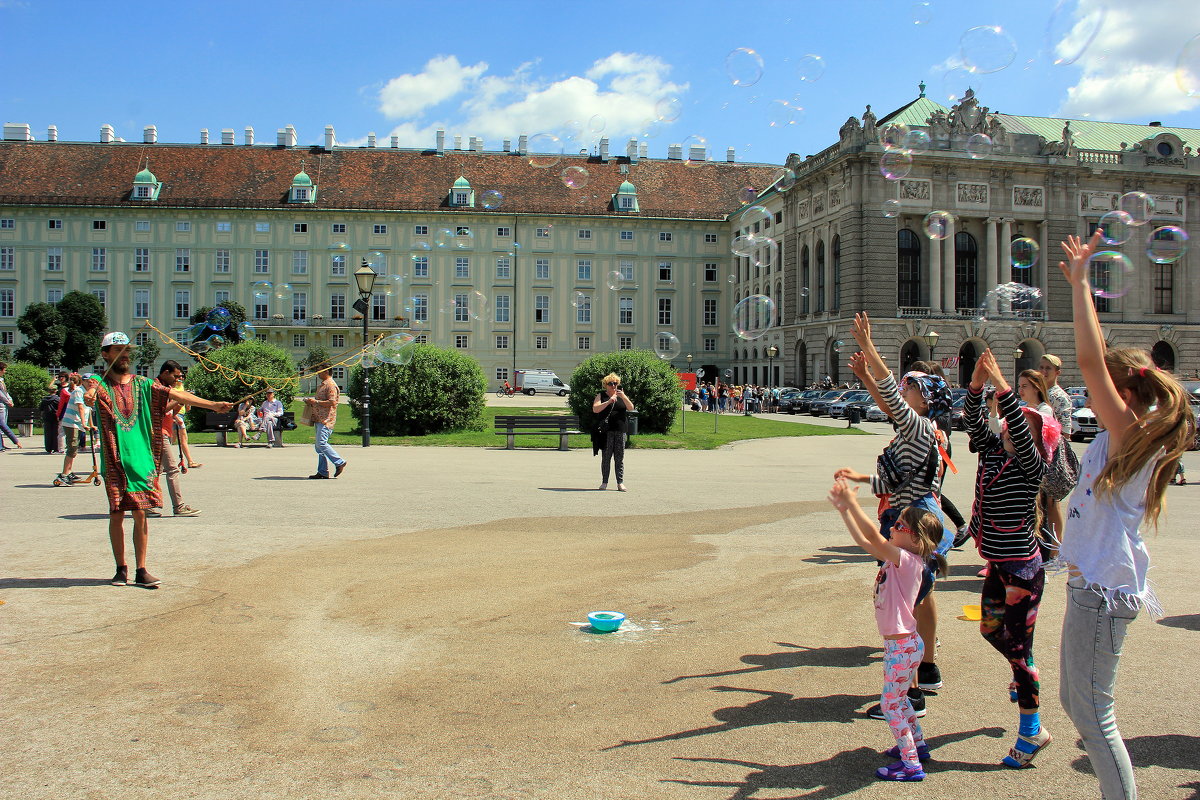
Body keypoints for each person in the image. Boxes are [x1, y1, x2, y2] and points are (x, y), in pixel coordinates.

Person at [1056, 231, 1195, 799]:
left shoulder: (1130, 433)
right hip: (1091, 584)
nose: (1089, 394)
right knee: (1078, 702)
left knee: (1094, 716)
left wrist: (1082, 283)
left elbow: (1089, 359)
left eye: (1099, 389)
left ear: (1122, 393)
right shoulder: (1125, 436)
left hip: (1104, 592)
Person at [835, 313, 954, 720]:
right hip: (917, 521)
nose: (905, 392)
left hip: (910, 527)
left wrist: (869, 347)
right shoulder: (920, 430)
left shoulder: (919, 428)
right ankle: (924, 675)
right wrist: (865, 377)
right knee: (918, 597)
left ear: (927, 400)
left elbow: (892, 396)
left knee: (902, 607)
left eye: (913, 389)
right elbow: (890, 404)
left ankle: (911, 696)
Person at [963, 349, 1057, 768]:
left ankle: (1032, 730)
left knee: (1020, 651)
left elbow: (1018, 426)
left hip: (1022, 570)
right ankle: (1025, 671)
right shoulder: (995, 454)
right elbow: (974, 424)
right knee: (989, 629)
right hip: (1001, 565)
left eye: (1021, 428)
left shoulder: (1031, 467)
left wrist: (1005, 386)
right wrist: (976, 386)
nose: (1010, 428)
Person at [85, 332, 231, 587]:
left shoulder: (142, 383)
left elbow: (177, 395)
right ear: (105, 354)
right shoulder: (100, 382)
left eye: (127, 350)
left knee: (141, 513)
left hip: (141, 458)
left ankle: (141, 569)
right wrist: (89, 394)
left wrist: (212, 404)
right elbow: (91, 388)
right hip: (114, 458)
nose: (125, 354)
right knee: (117, 514)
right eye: (118, 350)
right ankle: (121, 569)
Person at [827, 478, 946, 782]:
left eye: (899, 526)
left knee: (890, 704)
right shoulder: (901, 558)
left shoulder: (908, 561)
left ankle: (910, 765)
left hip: (902, 648)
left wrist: (852, 503)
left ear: (917, 540)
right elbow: (866, 542)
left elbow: (874, 538)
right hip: (903, 646)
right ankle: (917, 747)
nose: (892, 527)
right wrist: (844, 511)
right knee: (901, 699)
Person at [154, 361, 200, 517]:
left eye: (180, 376)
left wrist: (178, 404)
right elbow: (158, 411)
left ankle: (145, 505)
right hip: (158, 432)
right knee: (172, 469)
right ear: (165, 373)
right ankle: (178, 506)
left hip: (165, 431)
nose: (177, 379)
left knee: (156, 470)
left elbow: (169, 413)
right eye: (175, 376)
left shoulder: (167, 388)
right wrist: (179, 400)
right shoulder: (157, 387)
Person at [1039, 354, 1075, 545]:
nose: (1043, 372)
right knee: (1043, 503)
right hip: (1042, 451)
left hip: (1053, 453)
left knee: (1053, 503)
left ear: (1057, 373)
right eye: (1042, 367)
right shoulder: (1043, 392)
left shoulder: (1058, 396)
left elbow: (1066, 431)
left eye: (1048, 369)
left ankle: (1055, 546)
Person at [592, 372, 634, 491]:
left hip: (620, 430)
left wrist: (624, 396)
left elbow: (631, 408)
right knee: (606, 457)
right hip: (606, 431)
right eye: (611, 383)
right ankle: (604, 482)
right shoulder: (601, 395)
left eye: (616, 383)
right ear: (606, 385)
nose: (614, 385)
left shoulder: (621, 396)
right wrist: (609, 401)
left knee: (619, 458)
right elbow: (595, 409)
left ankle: (620, 482)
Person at [306, 366, 346, 479]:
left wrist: (316, 401)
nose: (318, 373)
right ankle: (323, 471)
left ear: (327, 371)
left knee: (322, 443)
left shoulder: (330, 385)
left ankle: (339, 462)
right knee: (319, 447)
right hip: (319, 418)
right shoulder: (323, 385)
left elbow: (333, 402)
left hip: (326, 419)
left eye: (320, 370)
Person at [56, 373, 87, 484]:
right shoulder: (79, 391)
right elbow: (80, 407)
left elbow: (89, 409)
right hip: (72, 422)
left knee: (74, 448)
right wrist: (84, 423)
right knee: (72, 448)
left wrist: (90, 424)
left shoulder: (85, 392)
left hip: (77, 423)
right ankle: (64, 474)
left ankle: (68, 472)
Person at [0, 361, 21, 450]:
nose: (5, 372)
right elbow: (0, 394)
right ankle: (2, 445)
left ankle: (1, 445)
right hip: (1, 405)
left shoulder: (1, 380)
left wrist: (10, 399)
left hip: (4, 405)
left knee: (2, 424)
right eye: (4, 370)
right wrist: (8, 401)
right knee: (2, 424)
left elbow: (5, 392)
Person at [39, 381, 60, 453]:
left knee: (48, 433)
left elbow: (41, 409)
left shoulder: (44, 399)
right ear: (56, 391)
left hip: (47, 417)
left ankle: (48, 447)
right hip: (55, 417)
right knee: (56, 433)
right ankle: (56, 447)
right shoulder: (57, 399)